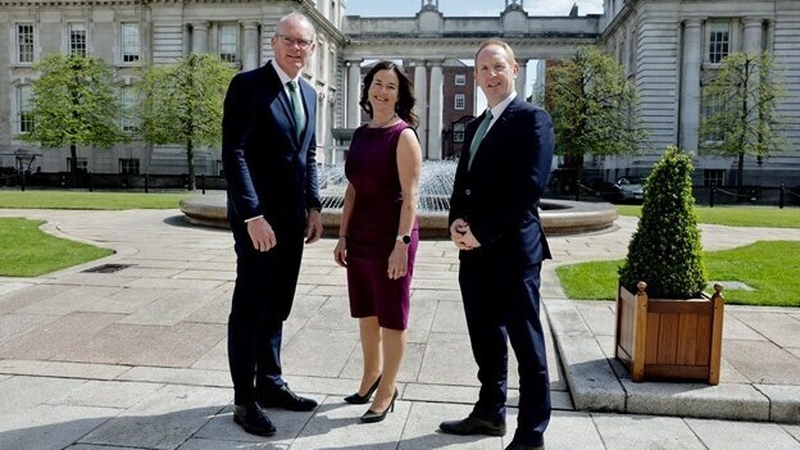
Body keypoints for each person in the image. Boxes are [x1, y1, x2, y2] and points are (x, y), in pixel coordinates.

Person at [439, 39, 555, 450]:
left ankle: (532, 433)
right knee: (485, 339)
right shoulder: (475, 125)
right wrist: (455, 222)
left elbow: (528, 189)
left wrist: (480, 231)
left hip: (513, 253)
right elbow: (462, 184)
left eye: (499, 66)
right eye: (484, 68)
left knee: (526, 344)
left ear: (515, 70)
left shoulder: (533, 119)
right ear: (476, 76)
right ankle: (490, 412)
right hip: (474, 254)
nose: (491, 74)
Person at [221, 12, 323, 437]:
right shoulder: (248, 86)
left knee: (278, 305)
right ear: (273, 43)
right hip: (258, 223)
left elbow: (309, 154)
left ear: (312, 50)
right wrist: (252, 215)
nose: (296, 48)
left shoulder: (309, 94)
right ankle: (244, 400)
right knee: (250, 308)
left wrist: (314, 206)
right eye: (289, 40)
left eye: (303, 43)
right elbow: (235, 154)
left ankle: (271, 383)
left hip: (293, 222)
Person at [333, 61, 422, 424]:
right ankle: (370, 375)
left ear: (399, 97)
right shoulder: (360, 134)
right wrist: (341, 235)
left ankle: (388, 388)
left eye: (391, 87)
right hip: (361, 237)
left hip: (392, 237)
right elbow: (352, 188)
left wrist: (400, 244)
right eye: (377, 84)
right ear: (367, 88)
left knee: (392, 317)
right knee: (366, 312)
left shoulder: (403, 135)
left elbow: (412, 195)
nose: (382, 92)